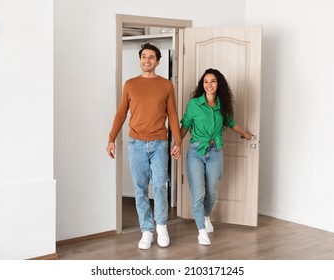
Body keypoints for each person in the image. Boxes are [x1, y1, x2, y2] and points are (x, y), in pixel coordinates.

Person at [106, 43, 181, 250]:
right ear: (140, 60)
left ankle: (162, 226)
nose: (147, 60)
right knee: (140, 189)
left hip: (159, 142)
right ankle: (146, 230)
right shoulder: (130, 84)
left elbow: (172, 114)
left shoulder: (166, 85)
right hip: (136, 143)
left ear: (158, 61)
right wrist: (112, 138)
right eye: (144, 57)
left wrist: (177, 140)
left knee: (159, 185)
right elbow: (121, 113)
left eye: (151, 57)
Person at [180, 68, 253, 246]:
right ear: (202, 84)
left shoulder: (223, 105)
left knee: (211, 192)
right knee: (198, 193)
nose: (209, 84)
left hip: (215, 152)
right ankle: (201, 230)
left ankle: (205, 216)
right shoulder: (194, 104)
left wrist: (245, 134)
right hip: (196, 152)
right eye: (206, 81)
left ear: (218, 84)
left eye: (213, 81)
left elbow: (230, 123)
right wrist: (175, 144)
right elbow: (185, 125)